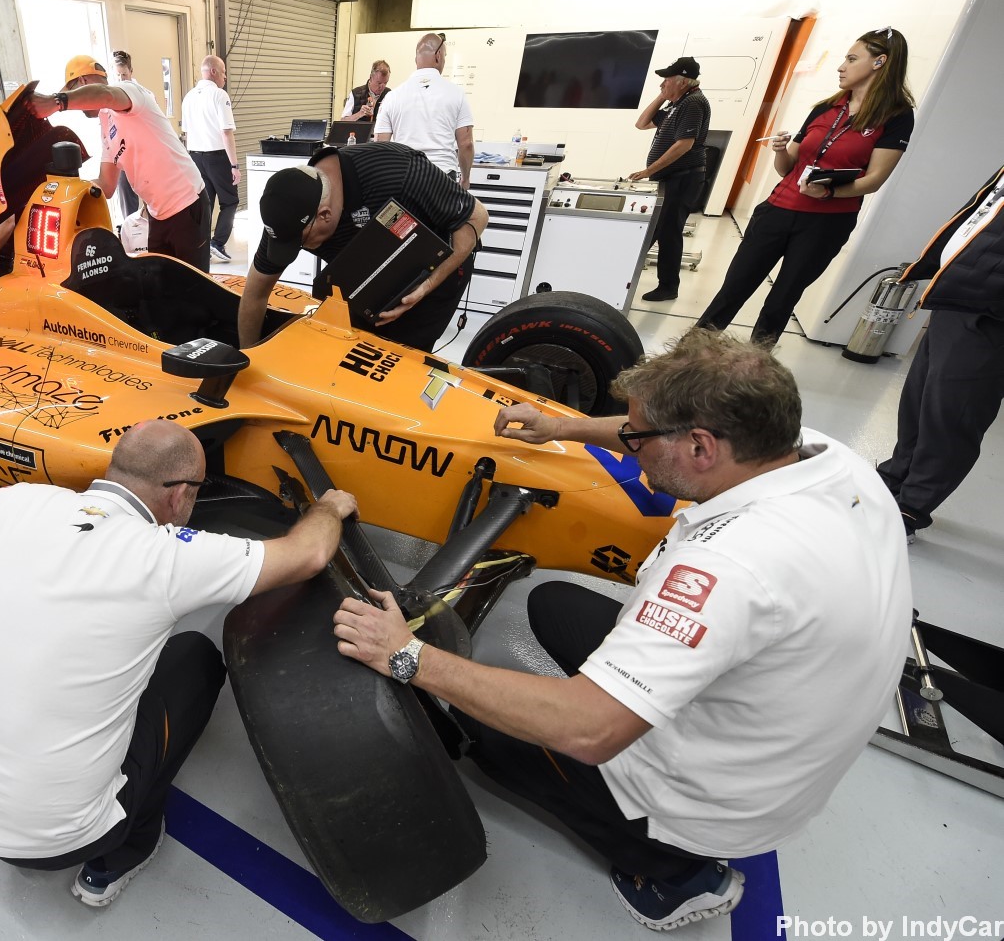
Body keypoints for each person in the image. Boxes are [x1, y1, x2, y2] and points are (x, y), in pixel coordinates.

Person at [332, 329, 911, 932]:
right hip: (780, 709)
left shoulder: (731, 565)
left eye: (638, 438)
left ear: (701, 448)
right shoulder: (818, 455)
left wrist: (406, 654)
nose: (628, 446)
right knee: (554, 605)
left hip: (712, 795)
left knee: (479, 723)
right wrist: (566, 428)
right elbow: (658, 434)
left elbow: (587, 730)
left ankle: (677, 875)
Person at [0, 420, 358, 907]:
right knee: (194, 658)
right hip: (55, 841)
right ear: (181, 495)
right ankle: (121, 853)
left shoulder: (13, 501)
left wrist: (5, 600)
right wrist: (330, 506)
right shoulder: (168, 557)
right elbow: (307, 555)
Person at [698, 28, 915, 344]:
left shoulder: (897, 115)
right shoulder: (825, 107)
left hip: (825, 223)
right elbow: (787, 168)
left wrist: (830, 191)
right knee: (733, 289)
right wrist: (780, 150)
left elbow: (874, 179)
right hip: (777, 211)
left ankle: (754, 372)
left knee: (782, 299)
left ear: (880, 62)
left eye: (852, 59)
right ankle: (688, 358)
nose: (841, 66)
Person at [237, 143, 488, 352]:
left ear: (325, 215)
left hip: (439, 266)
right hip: (372, 266)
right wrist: (249, 357)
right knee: (352, 345)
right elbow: (256, 294)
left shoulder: (399, 174)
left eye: (302, 242)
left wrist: (425, 288)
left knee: (401, 356)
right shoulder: (290, 216)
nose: (299, 248)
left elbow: (477, 217)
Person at [877, 162, 1004, 543]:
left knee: (953, 414)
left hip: (992, 309)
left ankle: (911, 507)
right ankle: (892, 481)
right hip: (959, 293)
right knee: (920, 404)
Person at [29, 55, 210, 271]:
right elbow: (106, 186)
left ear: (84, 82)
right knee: (160, 286)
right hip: (157, 215)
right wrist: (63, 187)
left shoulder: (129, 92)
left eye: (73, 90)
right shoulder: (106, 129)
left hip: (187, 204)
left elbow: (105, 94)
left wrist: (56, 102)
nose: (77, 105)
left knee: (193, 290)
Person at [630, 57, 712, 302]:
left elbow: (684, 145)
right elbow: (641, 123)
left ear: (683, 81)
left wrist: (648, 171)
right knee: (660, 229)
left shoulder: (693, 103)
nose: (662, 84)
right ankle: (640, 277)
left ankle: (668, 287)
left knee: (669, 232)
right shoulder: (677, 103)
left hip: (683, 178)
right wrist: (663, 97)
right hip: (671, 178)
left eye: (666, 80)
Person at [374, 33, 474, 189]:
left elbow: (380, 143)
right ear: (438, 56)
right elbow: (466, 144)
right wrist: (465, 179)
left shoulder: (392, 97)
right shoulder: (456, 93)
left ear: (416, 59)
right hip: (443, 178)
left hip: (405, 178)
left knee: (408, 215)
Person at [182, 54, 239, 263]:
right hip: (217, 157)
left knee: (205, 204)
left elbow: (186, 134)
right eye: (223, 72)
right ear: (214, 71)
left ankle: (201, 246)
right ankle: (218, 243)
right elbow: (226, 132)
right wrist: (234, 165)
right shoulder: (219, 95)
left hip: (195, 157)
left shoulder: (188, 97)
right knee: (230, 201)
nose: (225, 77)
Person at [109, 50, 157, 220]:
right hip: (123, 156)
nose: (122, 79)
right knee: (127, 206)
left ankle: (152, 239)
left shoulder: (146, 94)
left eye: (124, 74)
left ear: (131, 71)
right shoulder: (110, 96)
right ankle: (130, 239)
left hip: (143, 156)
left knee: (151, 203)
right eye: (118, 76)